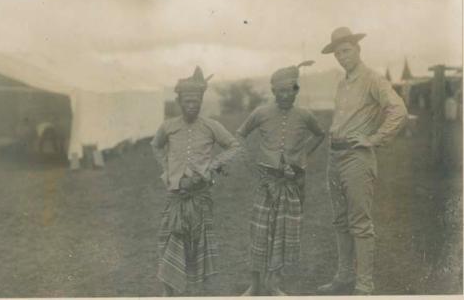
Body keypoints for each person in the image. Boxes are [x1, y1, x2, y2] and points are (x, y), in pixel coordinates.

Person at [317, 27, 408, 295]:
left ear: (358, 50)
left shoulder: (372, 79)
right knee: (339, 220)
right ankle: (344, 276)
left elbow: (399, 110)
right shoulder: (343, 82)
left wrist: (375, 138)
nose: (341, 57)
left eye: (346, 51)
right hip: (334, 156)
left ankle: (364, 285)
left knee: (360, 222)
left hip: (357, 158)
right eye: (337, 53)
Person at [150, 66, 240, 296]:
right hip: (176, 197)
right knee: (170, 242)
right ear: (179, 101)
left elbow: (233, 146)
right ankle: (169, 292)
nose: (192, 105)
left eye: (196, 101)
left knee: (198, 246)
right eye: (187, 101)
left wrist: (213, 165)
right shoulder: (168, 126)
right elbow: (155, 145)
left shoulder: (210, 126)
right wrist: (167, 171)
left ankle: (195, 292)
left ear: (201, 101)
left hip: (200, 198)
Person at [236, 64, 325, 296]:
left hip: (292, 184)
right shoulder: (261, 113)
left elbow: (320, 134)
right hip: (266, 183)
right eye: (281, 90)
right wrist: (251, 163)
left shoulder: (305, 115)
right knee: (259, 232)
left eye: (291, 90)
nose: (286, 95)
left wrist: (301, 156)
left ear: (297, 90)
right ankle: (255, 285)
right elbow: (240, 134)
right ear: (273, 91)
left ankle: (274, 284)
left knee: (284, 234)